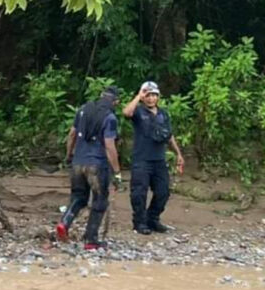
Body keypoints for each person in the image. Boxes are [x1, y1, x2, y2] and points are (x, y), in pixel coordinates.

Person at [55, 86, 124, 250]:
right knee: (100, 200)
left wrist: (69, 155)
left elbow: (72, 134)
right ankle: (91, 239)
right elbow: (109, 145)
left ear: (101, 96)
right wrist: (117, 171)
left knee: (78, 197)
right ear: (116, 102)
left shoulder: (83, 109)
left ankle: (64, 224)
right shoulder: (110, 117)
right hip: (96, 165)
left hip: (78, 162)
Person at [122, 81, 185, 235]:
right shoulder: (138, 111)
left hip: (159, 159)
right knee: (139, 193)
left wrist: (178, 154)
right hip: (141, 159)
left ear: (158, 97)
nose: (151, 98)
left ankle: (153, 219)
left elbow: (169, 136)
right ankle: (139, 222)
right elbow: (126, 113)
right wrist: (138, 96)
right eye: (148, 95)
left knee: (163, 191)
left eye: (154, 95)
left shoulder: (163, 114)